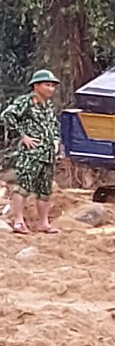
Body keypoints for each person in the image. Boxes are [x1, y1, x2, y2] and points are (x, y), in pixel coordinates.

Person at [4, 68, 62, 235]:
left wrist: (56, 140)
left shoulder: (48, 105)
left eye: (53, 86)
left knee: (45, 190)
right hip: (31, 153)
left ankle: (44, 223)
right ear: (36, 86)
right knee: (23, 186)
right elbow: (7, 115)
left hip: (48, 154)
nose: (51, 89)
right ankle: (18, 222)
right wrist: (23, 135)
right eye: (47, 85)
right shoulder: (26, 102)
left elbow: (53, 125)